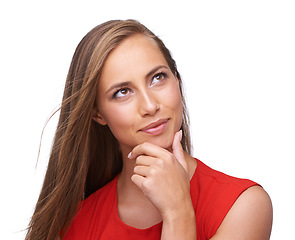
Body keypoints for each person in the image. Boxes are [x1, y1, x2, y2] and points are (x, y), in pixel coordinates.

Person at [25, 19, 273, 240]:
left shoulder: (242, 206)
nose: (150, 105)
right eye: (122, 92)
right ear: (97, 113)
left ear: (177, 80)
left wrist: (178, 212)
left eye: (157, 77)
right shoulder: (72, 227)